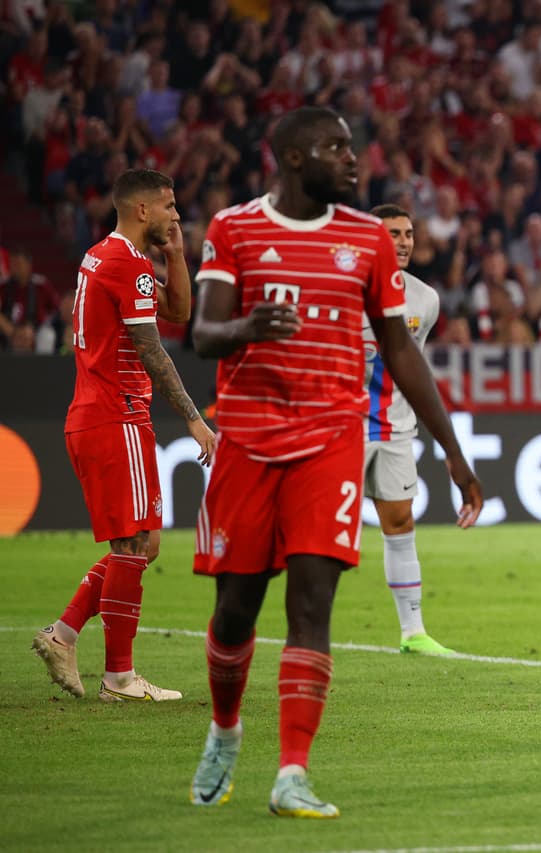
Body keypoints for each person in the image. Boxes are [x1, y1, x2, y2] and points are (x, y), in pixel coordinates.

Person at [188, 107, 484, 819]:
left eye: (352, 147)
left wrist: (453, 450)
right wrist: (245, 328)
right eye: (334, 147)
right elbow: (201, 333)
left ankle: (293, 772)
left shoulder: (365, 239)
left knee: (311, 604)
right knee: (235, 611)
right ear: (291, 157)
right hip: (250, 441)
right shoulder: (234, 229)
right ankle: (226, 728)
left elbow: (402, 350)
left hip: (331, 441)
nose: (351, 159)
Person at [32, 168, 216, 703]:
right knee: (134, 543)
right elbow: (154, 350)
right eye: (169, 207)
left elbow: (179, 311)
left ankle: (62, 635)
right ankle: (119, 679)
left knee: (143, 544)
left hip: (98, 414)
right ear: (142, 211)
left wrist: (178, 253)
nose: (176, 216)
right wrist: (193, 418)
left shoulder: (106, 256)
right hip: (117, 415)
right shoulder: (126, 264)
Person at [362, 203, 453, 655]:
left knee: (400, 522)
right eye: (393, 233)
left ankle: (413, 632)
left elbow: (410, 364)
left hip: (396, 428)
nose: (403, 241)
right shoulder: (343, 292)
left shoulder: (425, 299)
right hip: (342, 428)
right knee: (316, 534)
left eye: (409, 233)